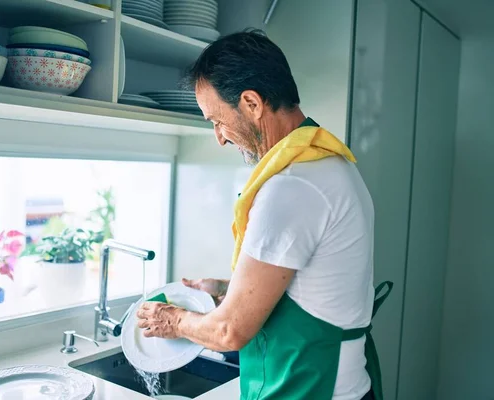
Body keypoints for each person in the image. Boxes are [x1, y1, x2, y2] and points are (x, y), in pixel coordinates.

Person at [136, 29, 392, 400]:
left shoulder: (292, 186)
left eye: (216, 121)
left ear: (252, 104)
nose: (220, 137)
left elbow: (230, 333)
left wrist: (172, 320)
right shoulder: (328, 163)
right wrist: (226, 290)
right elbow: (311, 288)